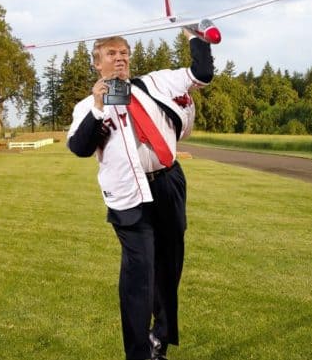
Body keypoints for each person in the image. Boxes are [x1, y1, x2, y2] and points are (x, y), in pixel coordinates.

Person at [67, 29, 213, 360]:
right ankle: (138, 354)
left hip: (169, 183)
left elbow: (201, 74)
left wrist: (196, 37)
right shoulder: (86, 106)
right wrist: (98, 107)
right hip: (128, 195)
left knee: (169, 266)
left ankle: (158, 340)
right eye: (110, 53)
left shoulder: (155, 83)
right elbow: (80, 147)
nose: (119, 58)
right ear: (97, 63)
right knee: (140, 271)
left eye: (124, 52)